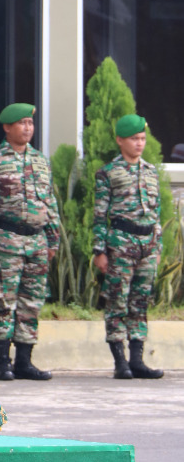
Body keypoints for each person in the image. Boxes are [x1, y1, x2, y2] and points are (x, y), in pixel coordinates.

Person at [0, 103, 59, 381]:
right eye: (21, 123)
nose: (27, 128)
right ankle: (2, 362)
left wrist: (53, 239)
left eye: (30, 124)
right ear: (7, 127)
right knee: (2, 302)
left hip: (36, 242)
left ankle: (24, 361)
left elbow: (50, 202)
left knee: (31, 303)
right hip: (4, 241)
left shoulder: (40, 160)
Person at [93, 114, 164, 380]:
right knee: (117, 301)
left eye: (142, 139)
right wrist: (99, 250)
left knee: (140, 302)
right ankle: (120, 362)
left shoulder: (150, 171)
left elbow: (156, 213)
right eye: (134, 139)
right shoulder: (108, 172)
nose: (139, 144)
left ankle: (137, 361)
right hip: (121, 243)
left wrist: (157, 247)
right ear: (120, 140)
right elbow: (100, 215)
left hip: (147, 244)